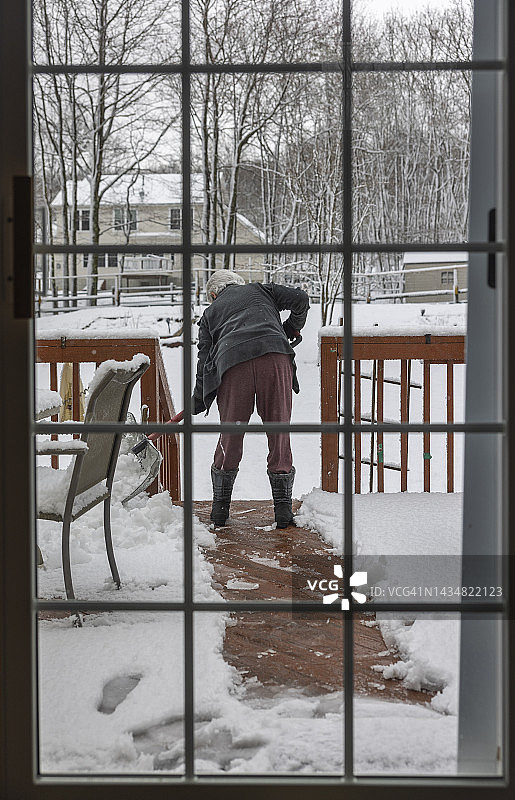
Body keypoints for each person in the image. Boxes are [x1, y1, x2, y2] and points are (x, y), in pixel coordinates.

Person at [192, 269, 310, 529]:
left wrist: (199, 398)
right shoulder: (261, 290)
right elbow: (301, 299)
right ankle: (282, 511)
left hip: (233, 364)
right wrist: (289, 328)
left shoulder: (210, 313)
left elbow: (204, 360)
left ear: (214, 294)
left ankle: (220, 512)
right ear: (237, 284)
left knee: (230, 435)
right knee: (279, 432)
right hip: (274, 357)